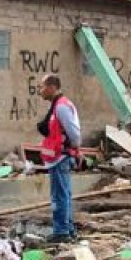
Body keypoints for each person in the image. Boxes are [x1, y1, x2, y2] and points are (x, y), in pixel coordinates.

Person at [37, 73, 81, 243]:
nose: (40, 91)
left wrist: (74, 148)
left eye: (42, 87)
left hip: (60, 158)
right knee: (64, 195)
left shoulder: (61, 107)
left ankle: (62, 232)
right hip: (58, 157)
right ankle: (67, 229)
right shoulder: (58, 105)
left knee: (60, 197)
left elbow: (75, 135)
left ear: (52, 87)